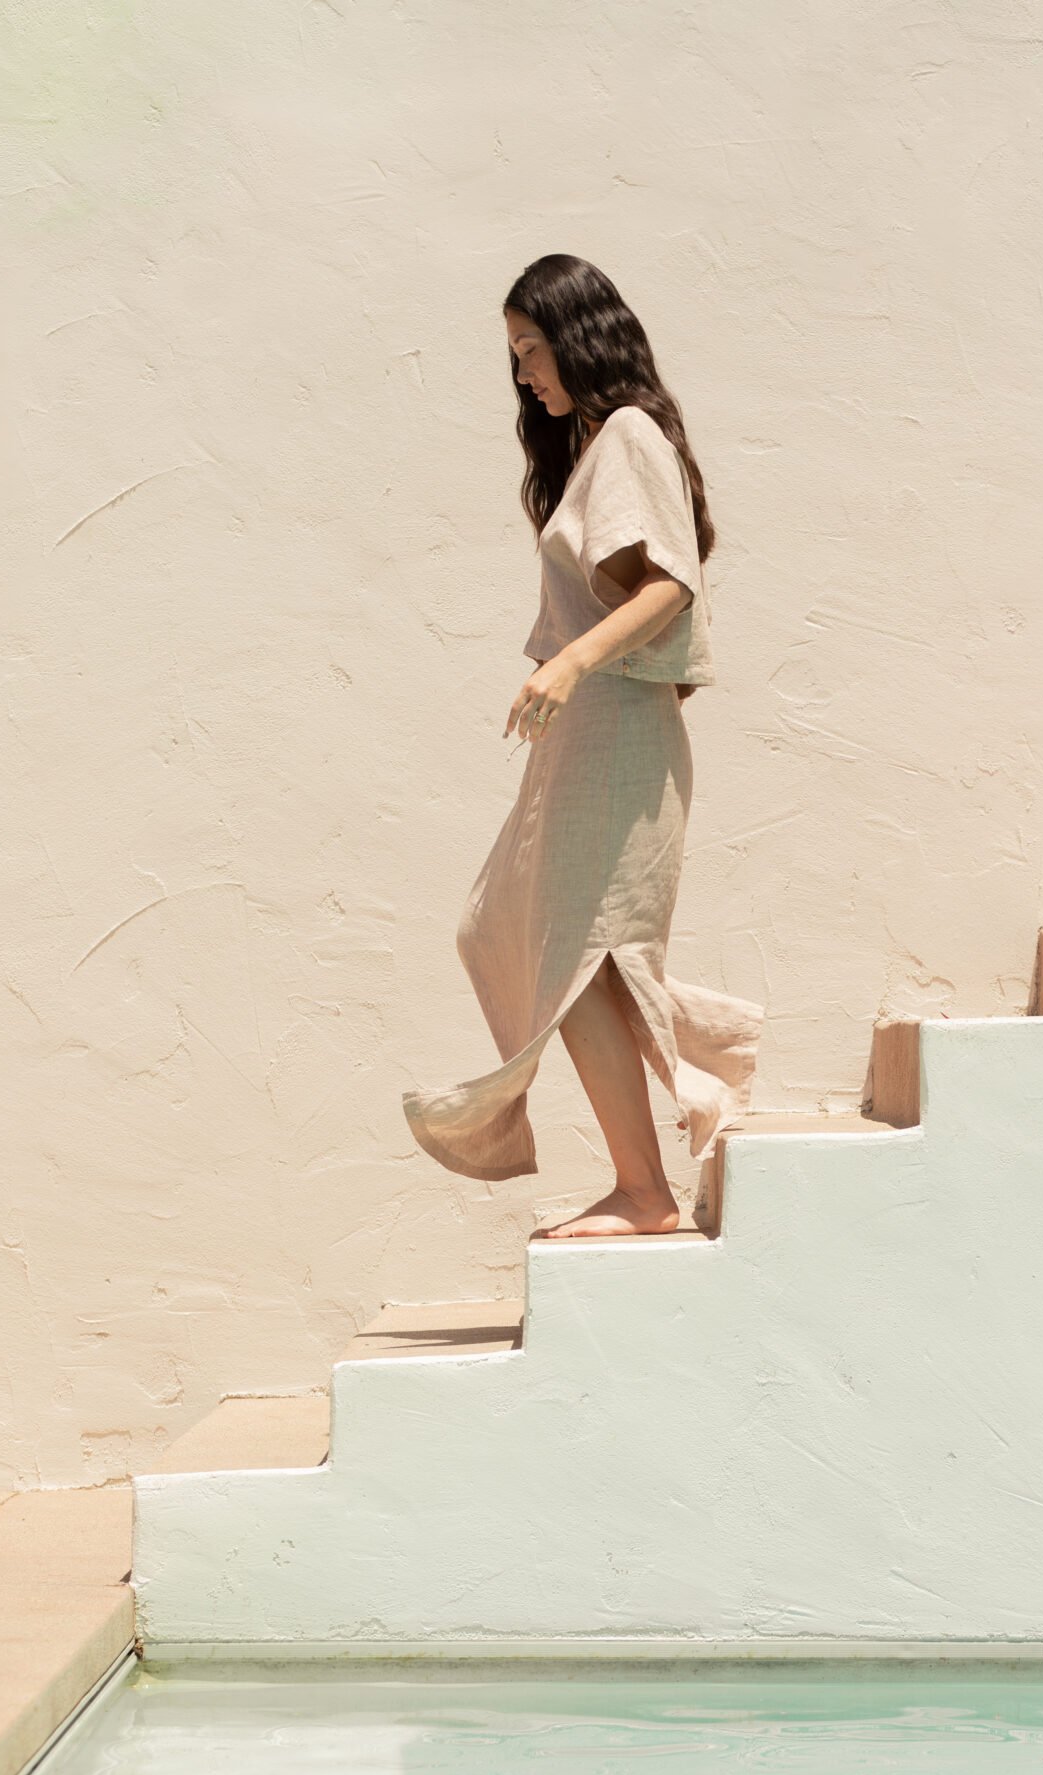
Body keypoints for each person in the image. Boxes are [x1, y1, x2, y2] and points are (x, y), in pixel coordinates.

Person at [403, 253, 763, 1238]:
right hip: (589, 731)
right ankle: (651, 1163)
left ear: (579, 336)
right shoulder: (599, 447)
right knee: (519, 933)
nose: (523, 374)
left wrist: (566, 666)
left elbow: (668, 584)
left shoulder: (631, 434)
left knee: (589, 951)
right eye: (514, 354)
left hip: (615, 724)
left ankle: (645, 1185)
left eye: (532, 348)